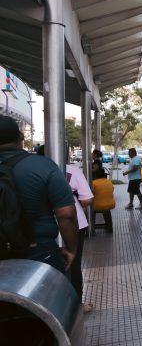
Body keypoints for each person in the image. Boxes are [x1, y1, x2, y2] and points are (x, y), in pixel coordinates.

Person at [0, 115, 78, 273]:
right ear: (21, 136)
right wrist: (72, 249)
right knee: (51, 296)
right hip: (38, 250)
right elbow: (66, 214)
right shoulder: (42, 166)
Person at [65, 160, 93, 301]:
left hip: (43, 224)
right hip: (74, 223)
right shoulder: (72, 170)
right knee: (74, 264)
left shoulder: (32, 169)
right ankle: (77, 304)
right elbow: (86, 200)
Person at [92, 168, 115, 232]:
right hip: (111, 204)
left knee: (89, 210)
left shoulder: (94, 183)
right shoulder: (109, 182)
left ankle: (91, 227)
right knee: (106, 210)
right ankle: (109, 227)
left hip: (97, 206)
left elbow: (90, 194)